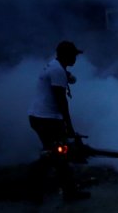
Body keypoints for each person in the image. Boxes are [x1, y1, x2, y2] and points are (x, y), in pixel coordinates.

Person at [27, 40, 90, 202]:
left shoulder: (56, 66)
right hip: (45, 119)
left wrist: (68, 76)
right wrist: (68, 126)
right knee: (58, 154)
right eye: (73, 55)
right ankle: (66, 192)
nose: (75, 58)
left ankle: (40, 190)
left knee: (54, 154)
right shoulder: (57, 71)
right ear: (65, 55)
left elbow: (62, 78)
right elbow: (61, 101)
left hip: (40, 117)